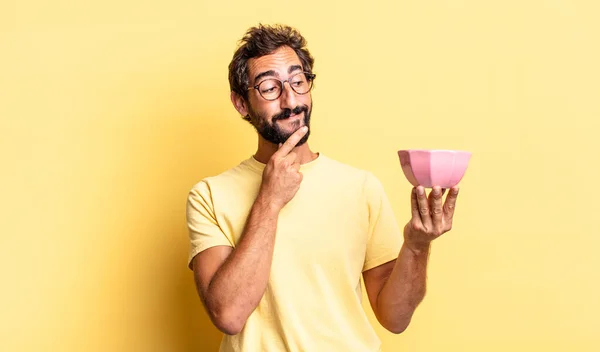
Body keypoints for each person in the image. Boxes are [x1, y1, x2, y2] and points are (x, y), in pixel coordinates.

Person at [186, 23, 461, 352]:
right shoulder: (208, 196)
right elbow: (228, 314)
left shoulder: (361, 188)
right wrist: (269, 201)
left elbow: (395, 318)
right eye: (270, 87)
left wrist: (416, 246)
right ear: (241, 104)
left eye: (298, 82)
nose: (291, 99)